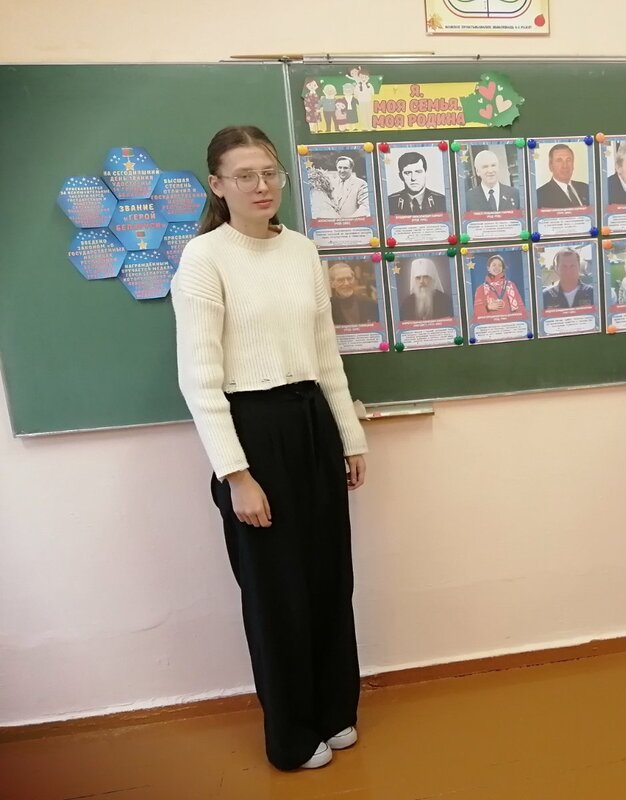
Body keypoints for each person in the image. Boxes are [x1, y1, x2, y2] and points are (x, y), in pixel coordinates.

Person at [171, 126, 367, 772]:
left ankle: (334, 709)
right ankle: (291, 736)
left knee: (329, 579)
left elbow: (326, 355)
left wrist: (349, 437)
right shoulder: (204, 258)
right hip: (252, 430)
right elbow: (199, 378)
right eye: (245, 175)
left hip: (312, 421)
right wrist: (237, 475)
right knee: (276, 593)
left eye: (269, 173)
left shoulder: (302, 250)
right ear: (217, 185)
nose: (261, 186)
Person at [472, 254, 527, 319]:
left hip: (509, 323)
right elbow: (477, 313)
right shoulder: (481, 289)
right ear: (488, 268)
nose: (497, 267)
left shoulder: (511, 285)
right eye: (494, 265)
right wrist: (488, 307)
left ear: (503, 269)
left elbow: (521, 309)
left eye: (500, 265)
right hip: (490, 324)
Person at [536, 143, 590, 208]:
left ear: (573, 164)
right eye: (559, 160)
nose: (565, 166)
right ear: (550, 165)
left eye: (568, 160)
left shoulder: (585, 188)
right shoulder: (540, 195)